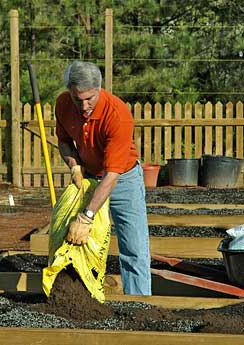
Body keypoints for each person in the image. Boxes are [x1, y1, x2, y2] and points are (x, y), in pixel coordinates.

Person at [55, 60, 151, 295]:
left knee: (134, 247)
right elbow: (64, 141)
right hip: (88, 176)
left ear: (99, 89)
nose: (84, 105)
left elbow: (112, 175)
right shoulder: (63, 104)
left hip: (122, 179)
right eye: (78, 99)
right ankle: (82, 300)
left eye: (90, 98)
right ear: (70, 91)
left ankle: (139, 308)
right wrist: (74, 167)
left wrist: (86, 217)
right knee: (77, 242)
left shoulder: (117, 114)